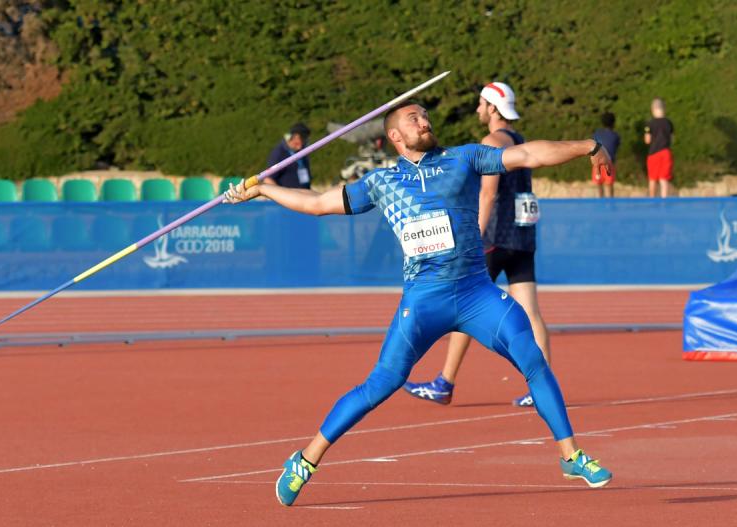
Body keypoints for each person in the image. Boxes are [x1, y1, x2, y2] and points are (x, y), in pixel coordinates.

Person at [225, 101, 615, 507]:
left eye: (425, 115)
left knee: (532, 359)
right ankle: (305, 459)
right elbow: (318, 203)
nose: (424, 121)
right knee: (381, 384)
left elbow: (529, 154)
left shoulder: (464, 158)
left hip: (476, 293)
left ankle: (571, 456)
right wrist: (264, 189)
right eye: (414, 118)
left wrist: (588, 145)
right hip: (425, 302)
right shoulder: (381, 181)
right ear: (395, 135)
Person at [401, 82, 547, 408]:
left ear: (492, 107)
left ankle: (444, 382)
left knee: (464, 306)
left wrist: (474, 235)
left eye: (482, 104)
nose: (478, 109)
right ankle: (543, 386)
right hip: (522, 236)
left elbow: (488, 193)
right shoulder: (519, 139)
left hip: (494, 237)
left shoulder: (491, 142)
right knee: (531, 312)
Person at [266, 122, 313, 188]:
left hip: (304, 193)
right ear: (295, 137)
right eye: (304, 139)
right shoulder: (279, 153)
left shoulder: (302, 152)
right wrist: (282, 193)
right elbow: (268, 179)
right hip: (287, 194)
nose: (305, 143)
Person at [644, 98, 674, 198]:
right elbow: (672, 138)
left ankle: (652, 200)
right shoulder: (669, 123)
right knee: (664, 179)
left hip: (654, 153)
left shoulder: (650, 123)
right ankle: (664, 202)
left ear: (652, 109)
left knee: (652, 179)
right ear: (664, 108)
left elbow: (647, 140)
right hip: (666, 152)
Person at [592, 112, 621, 198]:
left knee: (599, 185)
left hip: (597, 163)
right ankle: (610, 203)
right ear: (613, 123)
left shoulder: (597, 134)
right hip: (609, 163)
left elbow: (594, 146)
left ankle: (601, 202)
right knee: (609, 185)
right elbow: (616, 146)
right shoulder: (615, 136)